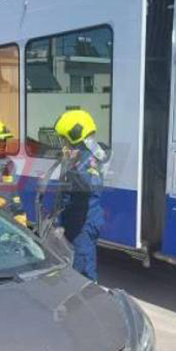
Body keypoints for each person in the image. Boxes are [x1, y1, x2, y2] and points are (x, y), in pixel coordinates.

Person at [54, 109, 108, 281]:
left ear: (74, 135)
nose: (63, 143)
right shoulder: (75, 157)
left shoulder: (90, 158)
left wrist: (76, 165)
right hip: (73, 223)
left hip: (83, 226)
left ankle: (88, 305)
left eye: (64, 139)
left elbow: (93, 185)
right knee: (71, 268)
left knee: (83, 274)